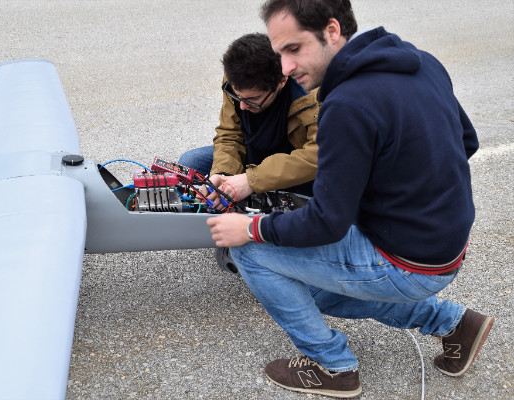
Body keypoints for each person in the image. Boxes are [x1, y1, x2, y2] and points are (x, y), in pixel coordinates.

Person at [206, 0, 494, 398]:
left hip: (409, 259)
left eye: (294, 49)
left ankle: (334, 366)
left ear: (333, 30)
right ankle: (453, 322)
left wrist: (249, 226)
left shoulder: (345, 105)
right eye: (280, 54)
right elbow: (467, 141)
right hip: (447, 244)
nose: (285, 68)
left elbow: (326, 222)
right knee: (316, 288)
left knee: (251, 251)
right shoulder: (421, 61)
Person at [179, 32, 320, 207]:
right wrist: (224, 174)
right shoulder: (237, 80)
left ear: (282, 80)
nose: (243, 106)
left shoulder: (313, 93)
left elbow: (318, 154)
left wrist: (251, 181)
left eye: (252, 99)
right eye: (239, 97)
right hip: (252, 158)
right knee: (191, 162)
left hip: (298, 169)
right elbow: (229, 134)